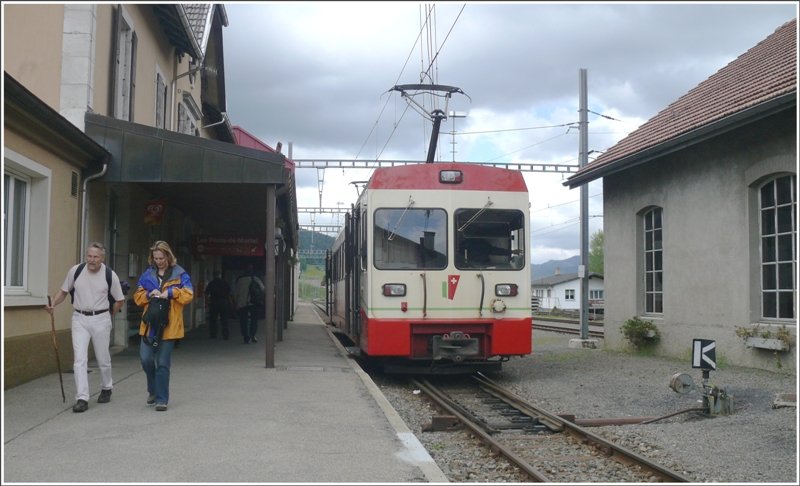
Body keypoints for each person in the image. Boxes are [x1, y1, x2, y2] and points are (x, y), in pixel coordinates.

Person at [45, 242, 125, 413]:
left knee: (102, 357)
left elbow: (119, 300)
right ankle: (82, 398)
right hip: (79, 318)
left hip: (101, 318)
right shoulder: (76, 271)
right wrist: (53, 303)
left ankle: (106, 387)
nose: (92, 260)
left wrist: (110, 313)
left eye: (95, 257)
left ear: (102, 258)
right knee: (79, 359)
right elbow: (63, 291)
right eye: (89, 256)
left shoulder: (110, 275)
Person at [133, 240, 193, 411]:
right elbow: (137, 297)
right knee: (146, 359)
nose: (159, 261)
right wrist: (148, 294)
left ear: (168, 256)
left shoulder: (180, 274)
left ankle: (161, 399)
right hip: (150, 325)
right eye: (156, 258)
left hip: (170, 325)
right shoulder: (147, 275)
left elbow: (189, 294)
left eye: (161, 258)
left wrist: (171, 292)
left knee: (162, 362)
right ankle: (153, 389)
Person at [234, 264, 264, 344]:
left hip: (242, 303)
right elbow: (262, 289)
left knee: (243, 320)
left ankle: (246, 337)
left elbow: (236, 293)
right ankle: (252, 335)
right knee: (254, 320)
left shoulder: (240, 280)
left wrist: (235, 302)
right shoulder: (256, 279)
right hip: (254, 303)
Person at [204, 270, 231, 339]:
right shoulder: (225, 283)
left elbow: (206, 293)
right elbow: (229, 293)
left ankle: (213, 334)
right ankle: (225, 335)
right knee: (224, 319)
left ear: (213, 276)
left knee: (213, 319)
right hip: (224, 302)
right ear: (220, 275)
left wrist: (207, 302)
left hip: (214, 302)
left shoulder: (211, 283)